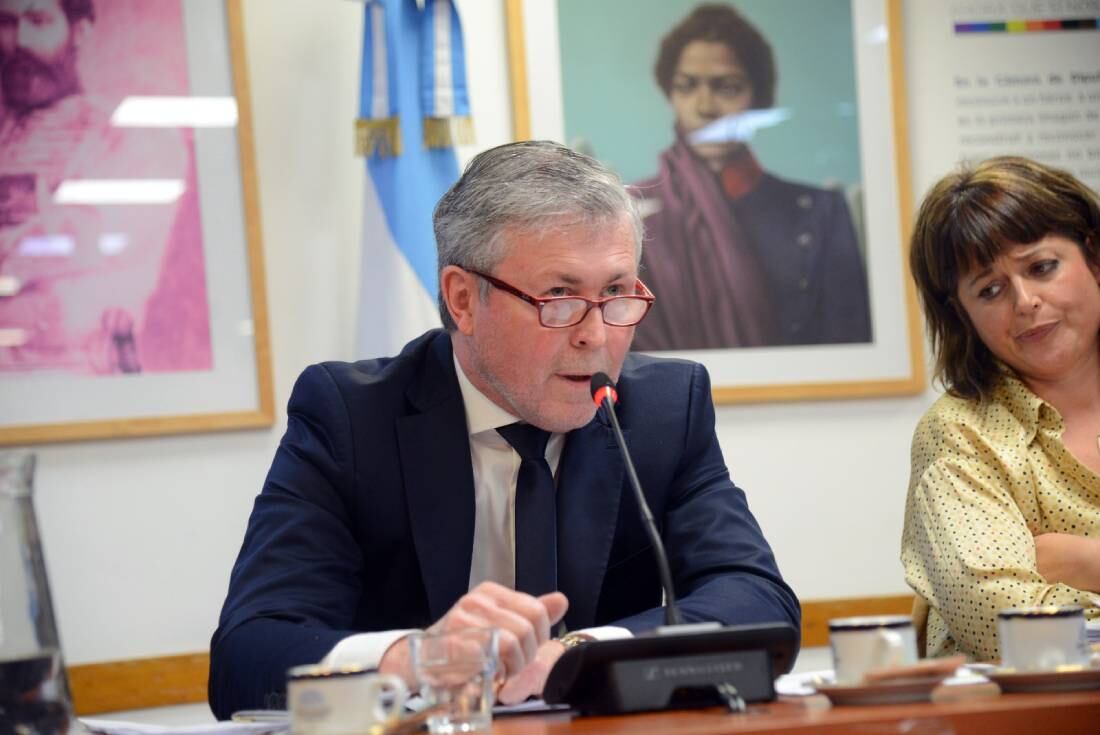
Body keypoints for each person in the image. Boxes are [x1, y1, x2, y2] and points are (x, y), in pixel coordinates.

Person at [209, 140, 800, 717]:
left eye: (617, 292)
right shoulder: (351, 419)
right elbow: (247, 655)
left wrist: (583, 652)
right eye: (559, 296)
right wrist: (418, 658)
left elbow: (759, 603)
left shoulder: (664, 411)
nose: (595, 335)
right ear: (463, 300)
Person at [901, 156, 1100, 661]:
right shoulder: (957, 435)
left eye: (1041, 267)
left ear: (1093, 257)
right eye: (989, 289)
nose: (1025, 300)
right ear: (961, 315)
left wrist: (1084, 561)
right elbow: (1001, 625)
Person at [631, 3, 872, 351]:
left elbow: (849, 345)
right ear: (670, 94)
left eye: (726, 88)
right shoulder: (633, 210)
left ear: (758, 97)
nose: (704, 106)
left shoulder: (819, 212)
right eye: (686, 86)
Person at [0, 0, 201, 374]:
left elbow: (76, 248)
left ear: (80, 31)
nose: (20, 41)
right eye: (7, 23)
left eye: (39, 21)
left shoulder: (131, 137)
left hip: (79, 381)